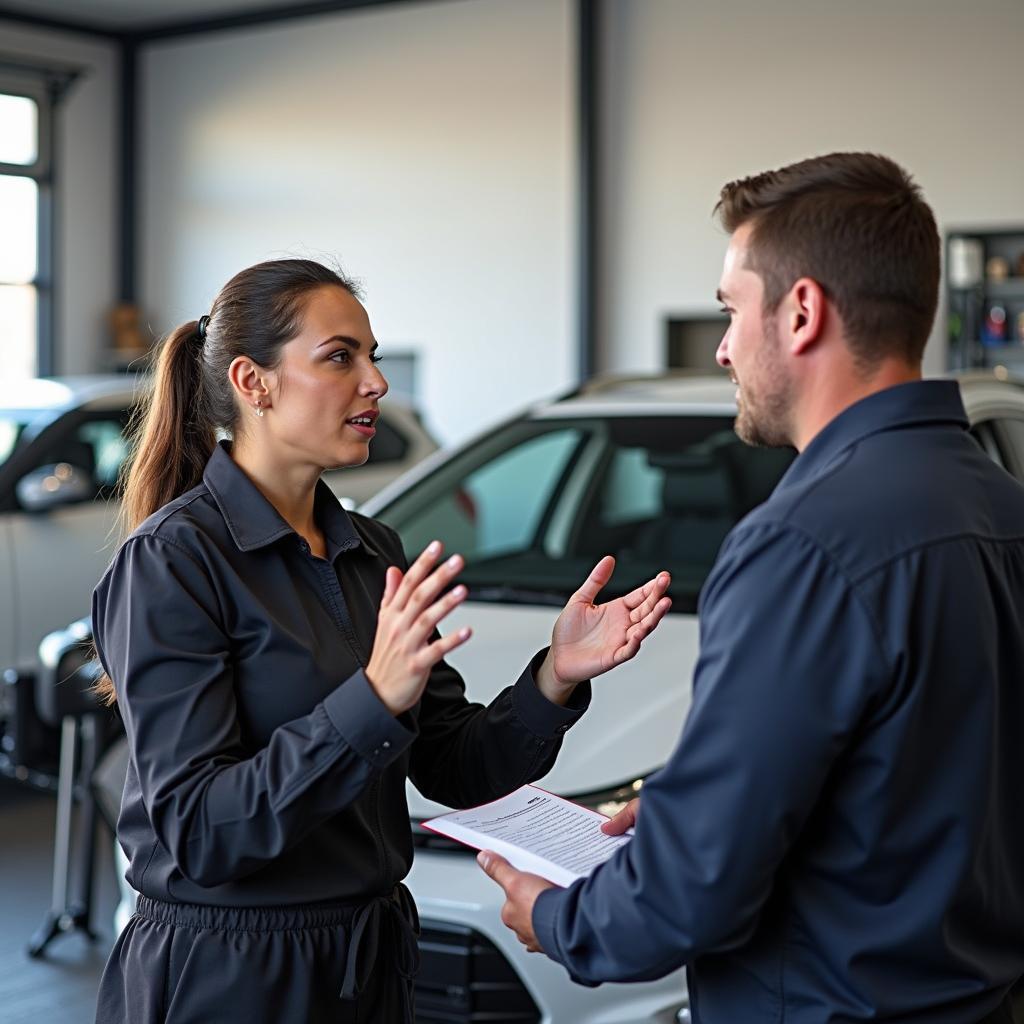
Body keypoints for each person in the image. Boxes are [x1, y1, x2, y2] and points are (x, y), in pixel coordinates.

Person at [478, 153, 1024, 1022]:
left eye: (732, 309)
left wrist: (555, 914)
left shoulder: (802, 543)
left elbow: (688, 895)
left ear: (802, 311)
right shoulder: (1002, 507)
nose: (725, 345)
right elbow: (927, 780)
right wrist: (705, 803)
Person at [90, 258, 672, 1024]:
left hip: (367, 963)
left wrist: (554, 678)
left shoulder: (372, 549)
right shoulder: (173, 561)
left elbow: (455, 765)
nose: (376, 382)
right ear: (252, 382)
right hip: (232, 975)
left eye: (372, 356)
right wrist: (370, 700)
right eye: (340, 357)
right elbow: (202, 833)